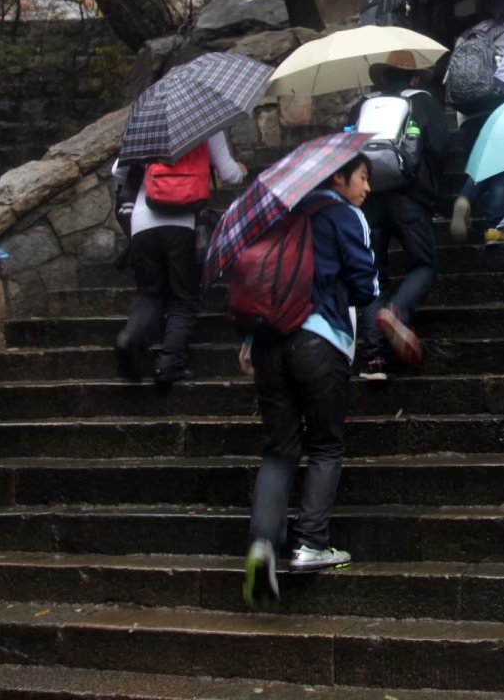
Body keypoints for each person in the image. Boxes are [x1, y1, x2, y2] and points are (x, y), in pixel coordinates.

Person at [241, 154, 378, 600]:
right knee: (324, 444)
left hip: (267, 343)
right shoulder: (345, 214)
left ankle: (263, 544)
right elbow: (365, 285)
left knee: (279, 449)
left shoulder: (277, 215)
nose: (367, 188)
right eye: (362, 178)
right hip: (319, 339)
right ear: (338, 177)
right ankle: (311, 544)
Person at [116, 129, 247, 385]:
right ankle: (169, 364)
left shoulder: (148, 124)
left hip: (142, 222)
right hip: (182, 222)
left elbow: (118, 172)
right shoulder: (207, 125)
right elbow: (229, 174)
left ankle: (128, 340)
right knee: (183, 297)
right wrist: (240, 171)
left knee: (149, 293)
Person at [347, 55, 449, 381]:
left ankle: (375, 358)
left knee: (374, 273)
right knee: (424, 264)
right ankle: (397, 311)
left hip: (369, 197)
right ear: (415, 78)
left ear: (382, 78)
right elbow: (439, 149)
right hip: (410, 196)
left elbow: (345, 148)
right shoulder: (423, 102)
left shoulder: (363, 104)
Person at [447, 0, 504, 246]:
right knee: (502, 171)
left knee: (483, 164)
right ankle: (494, 228)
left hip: (466, 113)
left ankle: (466, 198)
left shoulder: (466, 36)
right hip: (499, 108)